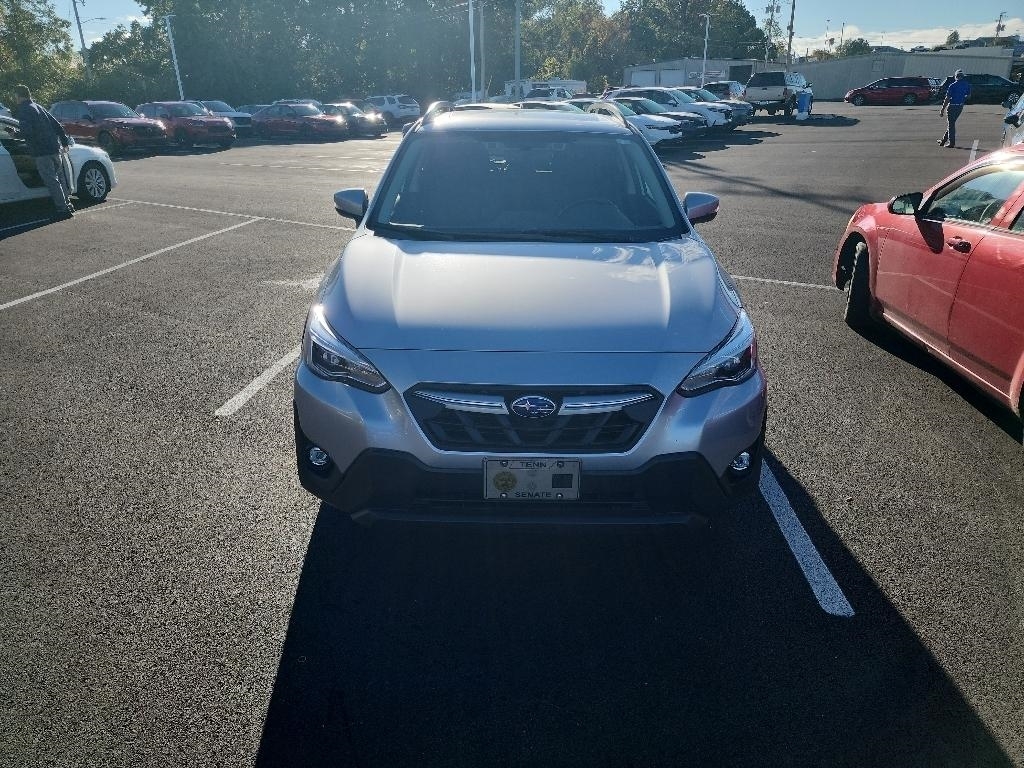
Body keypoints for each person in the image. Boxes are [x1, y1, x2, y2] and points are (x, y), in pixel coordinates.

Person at [12, 84, 74, 219]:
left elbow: (27, 131)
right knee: (60, 179)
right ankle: (68, 205)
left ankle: (62, 210)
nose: (14, 98)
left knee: (52, 181)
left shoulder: (24, 109)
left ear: (18, 95)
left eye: (15, 95)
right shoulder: (39, 107)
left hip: (41, 152)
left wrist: (15, 134)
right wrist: (64, 143)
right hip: (54, 149)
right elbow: (57, 125)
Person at [937, 70, 971, 149]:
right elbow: (969, 96)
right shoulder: (967, 85)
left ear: (956, 77)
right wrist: (962, 97)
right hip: (960, 106)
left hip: (952, 106)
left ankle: (951, 143)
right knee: (951, 124)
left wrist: (942, 109)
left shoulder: (952, 85)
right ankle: (943, 141)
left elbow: (947, 98)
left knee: (951, 125)